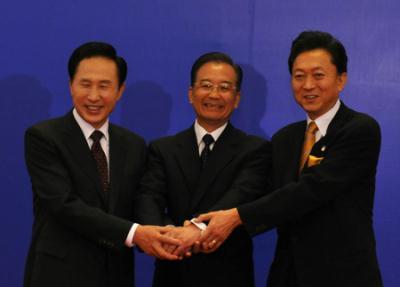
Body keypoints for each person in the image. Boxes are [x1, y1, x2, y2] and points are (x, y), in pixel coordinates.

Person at [197, 31, 383, 287]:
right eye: (299, 76)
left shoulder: (360, 129)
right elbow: (259, 192)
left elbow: (310, 190)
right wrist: (199, 227)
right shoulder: (285, 138)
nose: (307, 85)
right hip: (288, 275)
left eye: (318, 75)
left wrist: (235, 217)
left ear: (341, 80)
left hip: (344, 276)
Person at [23, 42, 181, 287]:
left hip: (115, 275)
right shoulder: (44, 137)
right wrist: (135, 234)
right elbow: (65, 205)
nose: (94, 96)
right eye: (85, 84)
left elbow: (141, 202)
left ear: (119, 91)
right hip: (58, 275)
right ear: (70, 86)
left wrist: (169, 231)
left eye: (104, 86)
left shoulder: (133, 144)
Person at [135, 52, 271, 287]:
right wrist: (168, 235)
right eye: (206, 85)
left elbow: (239, 195)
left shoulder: (255, 149)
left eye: (224, 87)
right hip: (172, 268)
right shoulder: (163, 149)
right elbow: (149, 198)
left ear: (237, 98)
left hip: (228, 274)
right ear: (191, 94)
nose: (214, 94)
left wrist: (196, 230)